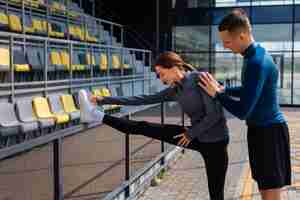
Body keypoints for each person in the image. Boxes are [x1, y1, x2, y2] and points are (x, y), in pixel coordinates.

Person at [79, 51, 229, 200]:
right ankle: (96, 115)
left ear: (173, 67)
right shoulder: (175, 90)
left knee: (216, 194)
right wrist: (103, 100)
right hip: (196, 136)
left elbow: (215, 115)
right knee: (142, 127)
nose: (161, 78)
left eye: (162, 73)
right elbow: (143, 99)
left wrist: (190, 134)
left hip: (215, 143)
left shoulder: (200, 79)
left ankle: (95, 115)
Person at [199, 9, 291, 200]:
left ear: (241, 36)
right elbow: (250, 89)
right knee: (264, 187)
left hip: (269, 133)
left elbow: (243, 111)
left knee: (271, 191)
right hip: (260, 131)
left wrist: (217, 95)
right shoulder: (253, 56)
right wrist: (224, 90)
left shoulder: (257, 62)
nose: (225, 46)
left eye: (227, 42)